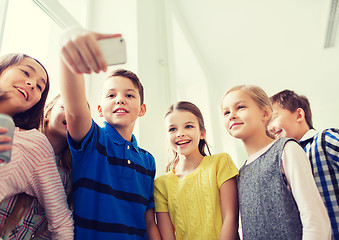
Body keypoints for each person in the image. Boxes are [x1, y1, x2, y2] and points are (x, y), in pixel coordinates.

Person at [59, 27, 160, 239]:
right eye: (111, 95)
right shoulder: (93, 140)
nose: (119, 99)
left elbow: (149, 222)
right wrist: (69, 49)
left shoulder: (148, 161)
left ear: (142, 109)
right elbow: (75, 110)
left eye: (129, 95)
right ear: (99, 110)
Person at [221, 85, 331, 240]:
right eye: (226, 112)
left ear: (265, 113)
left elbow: (315, 220)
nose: (231, 115)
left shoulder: (287, 149)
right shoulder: (241, 173)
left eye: (240, 107)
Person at [0, 53, 73, 239]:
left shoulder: (33, 145)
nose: (32, 84)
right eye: (25, 72)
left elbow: (61, 220)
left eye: (40, 86)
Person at [154, 101, 239, 240]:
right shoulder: (161, 185)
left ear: (202, 133)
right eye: (172, 129)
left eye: (188, 126)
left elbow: (231, 217)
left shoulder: (220, 163)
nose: (180, 134)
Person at [269, 89, 339, 239]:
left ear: (299, 115)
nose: (269, 128)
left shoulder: (324, 139)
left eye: (273, 118)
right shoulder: (284, 162)